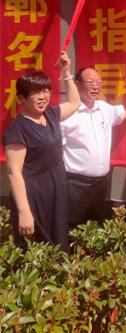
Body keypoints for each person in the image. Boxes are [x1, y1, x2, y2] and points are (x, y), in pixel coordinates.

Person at [3, 52, 80, 250]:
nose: (43, 96)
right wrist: (24, 212)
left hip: (56, 190)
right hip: (34, 196)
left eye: (46, 91)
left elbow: (74, 103)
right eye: (36, 92)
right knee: (36, 248)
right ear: (22, 97)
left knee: (58, 244)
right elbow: (14, 173)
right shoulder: (18, 129)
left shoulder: (51, 114)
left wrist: (66, 72)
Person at [60, 66, 126, 226]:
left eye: (99, 82)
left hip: (101, 183)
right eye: (90, 82)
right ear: (77, 84)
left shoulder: (104, 108)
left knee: (97, 228)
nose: (96, 86)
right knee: (72, 227)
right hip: (75, 185)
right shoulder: (66, 114)